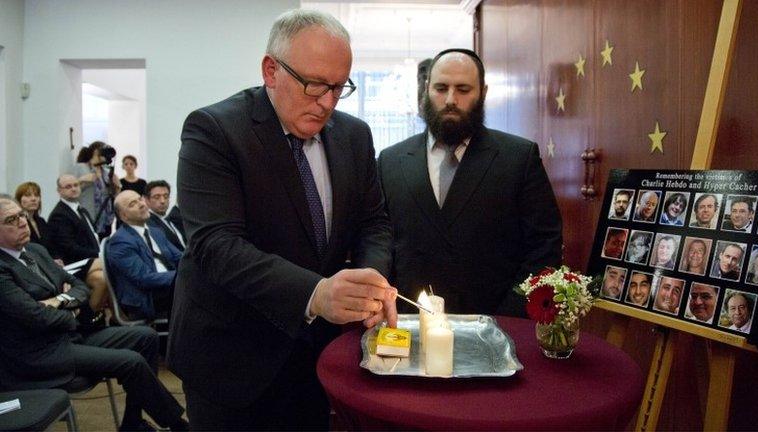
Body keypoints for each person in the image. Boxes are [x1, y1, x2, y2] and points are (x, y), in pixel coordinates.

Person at [167, 10, 398, 430]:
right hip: (232, 358)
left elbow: (374, 222)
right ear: (270, 71)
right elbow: (216, 245)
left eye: (338, 87)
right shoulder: (214, 130)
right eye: (313, 85)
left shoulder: (355, 135)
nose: (327, 102)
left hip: (317, 354)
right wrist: (316, 293)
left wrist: (368, 279)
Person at [378, 48, 562, 316]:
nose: (450, 99)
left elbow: (544, 247)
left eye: (463, 90)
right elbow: (380, 241)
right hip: (407, 327)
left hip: (494, 330)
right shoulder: (390, 161)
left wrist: (506, 321)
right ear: (427, 89)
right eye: (441, 88)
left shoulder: (518, 158)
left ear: (483, 93)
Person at [0, 197, 188, 432]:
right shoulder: (2, 269)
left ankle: (132, 421)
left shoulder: (35, 251)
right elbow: (37, 317)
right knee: (131, 362)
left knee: (146, 336)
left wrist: (58, 300)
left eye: (21, 215)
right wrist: (72, 311)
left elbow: (79, 286)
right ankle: (178, 425)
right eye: (11, 219)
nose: (22, 222)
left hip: (72, 334)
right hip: (39, 352)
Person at [109, 190, 181, 320]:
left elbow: (180, 258)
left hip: (171, 287)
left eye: (140, 199)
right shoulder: (120, 241)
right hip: (149, 297)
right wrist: (182, 277)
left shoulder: (156, 232)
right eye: (132, 204)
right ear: (124, 216)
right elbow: (144, 278)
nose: (141, 204)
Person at [47, 174, 109, 313]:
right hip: (70, 265)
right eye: (68, 187)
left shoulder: (80, 209)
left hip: (86, 261)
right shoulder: (60, 214)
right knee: (107, 271)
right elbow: (69, 248)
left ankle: (101, 316)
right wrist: (98, 254)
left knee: (104, 277)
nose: (73, 189)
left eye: (76, 185)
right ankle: (88, 318)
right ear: (59, 191)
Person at [75, 141, 121, 238]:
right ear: (95, 152)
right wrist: (81, 180)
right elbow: (69, 189)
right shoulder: (81, 167)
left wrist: (117, 188)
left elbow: (113, 196)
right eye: (103, 151)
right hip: (88, 217)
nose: (106, 155)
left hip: (105, 220)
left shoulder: (106, 171)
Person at [14, 181, 56, 257]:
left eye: (36, 195)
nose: (33, 199)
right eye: (28, 195)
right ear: (19, 200)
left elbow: (51, 246)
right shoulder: (18, 222)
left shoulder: (41, 221)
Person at [144, 180, 186, 251]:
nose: (162, 201)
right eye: (157, 197)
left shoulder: (171, 220)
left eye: (166, 196)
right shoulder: (149, 224)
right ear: (147, 200)